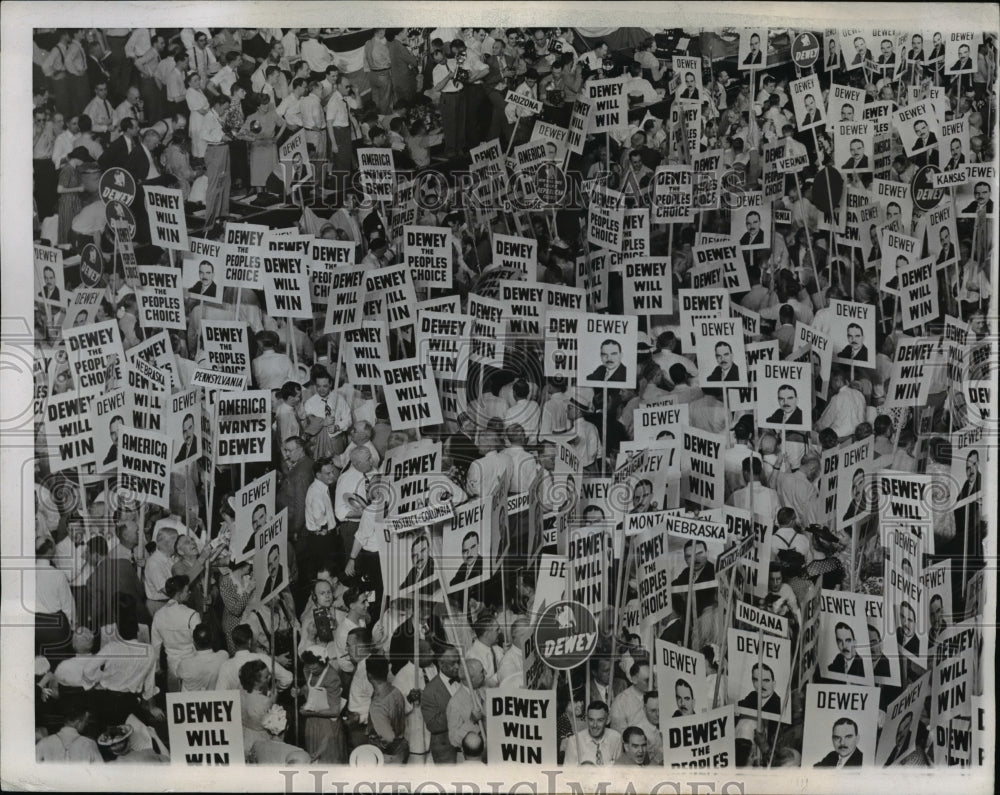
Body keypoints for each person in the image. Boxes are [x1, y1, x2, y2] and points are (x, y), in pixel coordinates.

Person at [563, 700, 621, 766]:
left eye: (600, 720)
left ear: (607, 720)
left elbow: (620, 771)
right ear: (587, 719)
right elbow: (568, 774)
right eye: (591, 720)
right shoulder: (574, 741)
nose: (595, 725)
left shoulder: (616, 738)